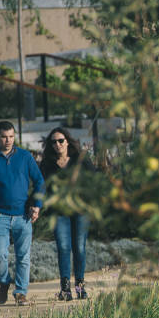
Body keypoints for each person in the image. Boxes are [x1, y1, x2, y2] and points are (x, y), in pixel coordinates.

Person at [0, 121, 45, 306]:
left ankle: (21, 292)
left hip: (23, 215)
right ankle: (4, 282)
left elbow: (39, 182)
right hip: (0, 216)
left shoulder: (25, 156)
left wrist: (36, 205)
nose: (8, 140)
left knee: (23, 256)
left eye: (11, 136)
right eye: (5, 137)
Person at [40, 127, 94, 301]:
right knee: (63, 247)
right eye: (54, 142)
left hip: (80, 210)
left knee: (79, 247)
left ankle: (80, 286)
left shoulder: (80, 160)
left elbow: (94, 180)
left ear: (68, 141)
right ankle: (65, 289)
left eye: (61, 141)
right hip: (59, 212)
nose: (58, 144)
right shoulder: (47, 163)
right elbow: (43, 186)